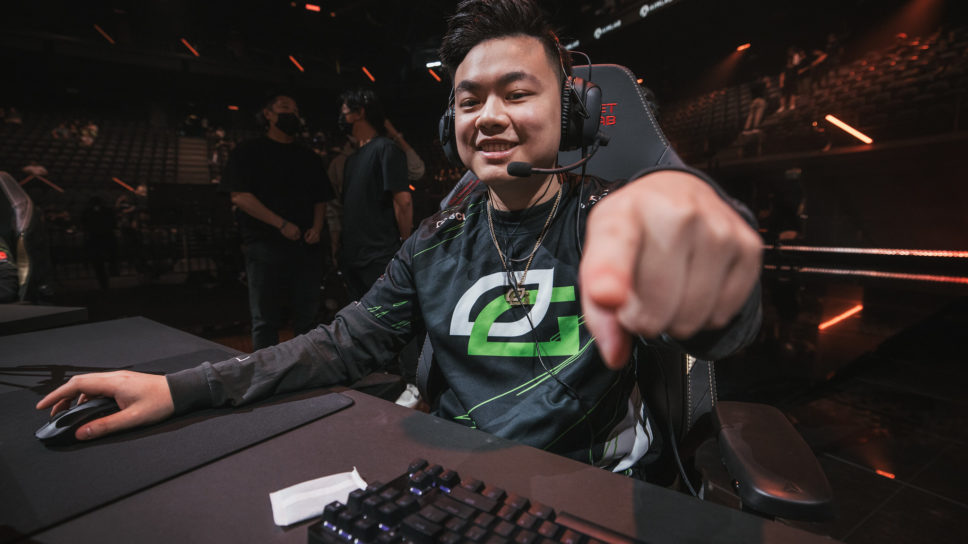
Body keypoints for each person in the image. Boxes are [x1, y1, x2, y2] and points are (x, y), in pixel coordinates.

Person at [37, 0, 761, 477]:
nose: (489, 116)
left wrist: (698, 247)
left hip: (587, 493)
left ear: (571, 114)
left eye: (518, 93)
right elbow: (337, 346)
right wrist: (177, 388)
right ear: (452, 126)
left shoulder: (614, 218)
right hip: (458, 484)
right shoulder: (434, 243)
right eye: (469, 101)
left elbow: (719, 323)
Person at [219, 94, 334, 350]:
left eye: (295, 110)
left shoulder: (308, 157)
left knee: (308, 316)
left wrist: (316, 228)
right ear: (268, 114)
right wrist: (281, 224)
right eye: (284, 108)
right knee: (265, 318)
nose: (291, 113)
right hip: (264, 245)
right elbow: (239, 196)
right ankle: (266, 369)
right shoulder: (248, 151)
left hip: (306, 247)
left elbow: (321, 198)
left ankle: (307, 366)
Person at [337, 89, 412, 299]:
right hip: (353, 258)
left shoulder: (386, 148)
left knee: (387, 313)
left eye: (344, 110)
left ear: (359, 112)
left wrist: (405, 247)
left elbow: (403, 202)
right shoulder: (352, 160)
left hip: (379, 257)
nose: (341, 116)